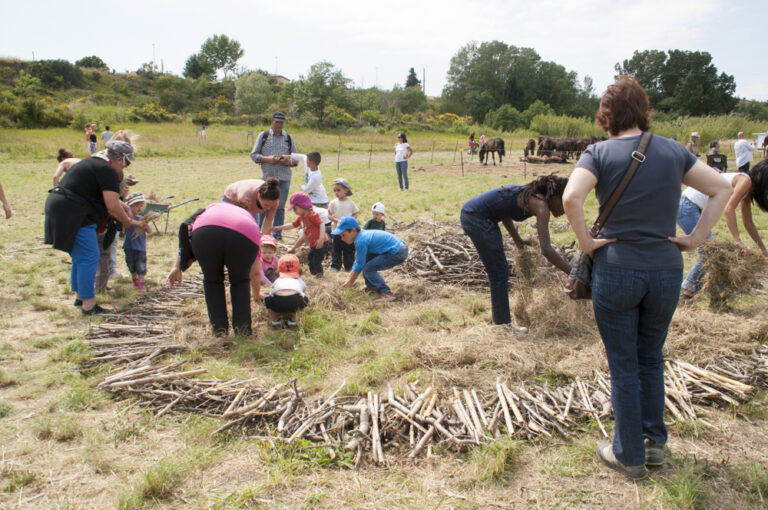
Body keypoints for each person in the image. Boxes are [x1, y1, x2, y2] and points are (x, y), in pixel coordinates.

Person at [562, 76, 731, 481]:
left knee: (623, 362)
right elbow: (722, 188)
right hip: (666, 270)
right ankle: (655, 445)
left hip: (617, 268)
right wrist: (695, 239)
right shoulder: (675, 151)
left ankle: (628, 455)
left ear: (607, 114)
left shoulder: (597, 152)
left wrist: (587, 243)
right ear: (644, 110)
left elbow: (571, 198)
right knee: (651, 357)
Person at [44, 139, 147, 314]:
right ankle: (89, 305)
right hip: (75, 213)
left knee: (80, 256)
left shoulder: (93, 161)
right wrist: (127, 222)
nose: (126, 167)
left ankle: (80, 297)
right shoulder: (106, 170)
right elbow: (112, 207)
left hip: (61, 206)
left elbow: (108, 198)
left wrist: (122, 206)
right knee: (89, 256)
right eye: (126, 162)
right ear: (119, 158)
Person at [460, 175, 572, 331]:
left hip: (474, 214)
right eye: (565, 203)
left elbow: (505, 212)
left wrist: (518, 239)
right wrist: (572, 272)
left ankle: (500, 323)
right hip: (476, 218)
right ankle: (502, 326)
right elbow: (546, 249)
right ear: (554, 197)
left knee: (498, 272)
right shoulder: (541, 206)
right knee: (499, 274)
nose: (565, 210)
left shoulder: (529, 195)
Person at [167, 201, 262, 336]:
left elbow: (184, 229)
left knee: (212, 281)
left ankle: (219, 331)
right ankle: (243, 330)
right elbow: (255, 271)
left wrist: (177, 265)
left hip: (206, 233)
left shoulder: (212, 206)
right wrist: (256, 291)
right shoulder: (247, 217)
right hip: (243, 235)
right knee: (240, 282)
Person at [678, 166, 768, 299]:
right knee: (711, 251)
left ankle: (715, 297)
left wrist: (763, 249)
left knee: (714, 252)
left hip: (692, 207)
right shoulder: (745, 181)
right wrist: (737, 240)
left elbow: (748, 222)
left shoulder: (747, 191)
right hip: (687, 206)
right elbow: (729, 209)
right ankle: (687, 291)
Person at [335, 216, 409, 302]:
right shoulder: (361, 235)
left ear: (353, 230)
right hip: (397, 248)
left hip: (397, 251)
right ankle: (372, 287)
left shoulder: (361, 241)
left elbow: (359, 265)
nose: (342, 238)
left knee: (368, 268)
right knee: (366, 260)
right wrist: (348, 277)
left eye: (343, 235)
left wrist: (350, 282)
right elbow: (359, 261)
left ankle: (387, 293)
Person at [250, 112, 298, 240]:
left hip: (284, 178)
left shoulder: (288, 137)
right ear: (271, 121)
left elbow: (296, 159)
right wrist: (267, 159)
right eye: (277, 122)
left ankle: (276, 235)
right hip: (267, 179)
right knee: (263, 206)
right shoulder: (263, 136)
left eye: (281, 122)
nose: (279, 125)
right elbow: (254, 155)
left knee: (280, 207)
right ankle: (258, 233)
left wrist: (289, 161)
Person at [272, 192, 329, 277]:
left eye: (295, 209)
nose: (294, 211)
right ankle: (314, 274)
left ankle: (319, 276)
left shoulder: (312, 215)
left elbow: (321, 224)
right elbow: (292, 225)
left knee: (316, 261)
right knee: (310, 261)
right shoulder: (301, 218)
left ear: (303, 206)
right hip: (313, 244)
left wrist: (321, 239)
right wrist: (280, 228)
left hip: (321, 243)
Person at [264, 254, 309, 329]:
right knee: (304, 299)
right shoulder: (299, 280)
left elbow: (272, 292)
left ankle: (276, 321)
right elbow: (303, 290)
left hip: (277, 304)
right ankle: (293, 321)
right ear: (298, 269)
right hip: (294, 302)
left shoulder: (278, 280)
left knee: (267, 299)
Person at [328, 178, 359, 271]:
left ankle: (349, 266)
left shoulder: (350, 203)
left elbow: (355, 213)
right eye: (334, 191)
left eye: (338, 190)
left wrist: (350, 221)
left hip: (348, 231)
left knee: (348, 248)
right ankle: (335, 265)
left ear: (345, 190)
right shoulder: (333, 203)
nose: (336, 192)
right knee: (336, 248)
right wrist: (336, 220)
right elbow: (329, 215)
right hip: (336, 230)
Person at [123, 193, 149, 290]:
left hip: (140, 247)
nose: (139, 208)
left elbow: (150, 231)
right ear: (129, 207)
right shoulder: (127, 218)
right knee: (131, 264)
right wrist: (137, 223)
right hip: (129, 246)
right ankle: (134, 279)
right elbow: (127, 223)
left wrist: (145, 225)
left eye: (141, 206)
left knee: (141, 265)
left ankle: (141, 282)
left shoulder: (143, 219)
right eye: (136, 206)